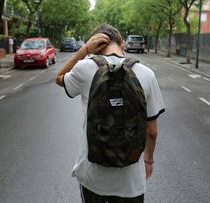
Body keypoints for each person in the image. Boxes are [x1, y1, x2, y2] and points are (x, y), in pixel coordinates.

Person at [55, 24, 165, 203]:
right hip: (131, 184)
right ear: (122, 44)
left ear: (95, 45)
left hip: (93, 178)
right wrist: (149, 162)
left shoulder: (84, 69)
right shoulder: (147, 74)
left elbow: (59, 77)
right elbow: (152, 132)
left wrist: (84, 51)